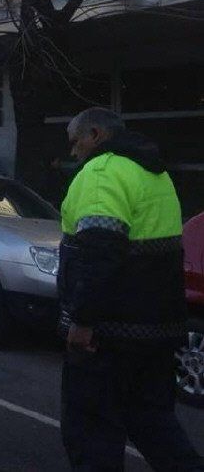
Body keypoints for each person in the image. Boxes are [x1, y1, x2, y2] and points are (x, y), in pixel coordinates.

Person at [58, 107, 203, 470]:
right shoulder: (155, 173)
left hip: (108, 337)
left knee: (93, 433)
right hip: (158, 330)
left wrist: (82, 320)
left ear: (96, 135)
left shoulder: (102, 171)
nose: (73, 153)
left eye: (75, 143)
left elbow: (100, 252)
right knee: (154, 424)